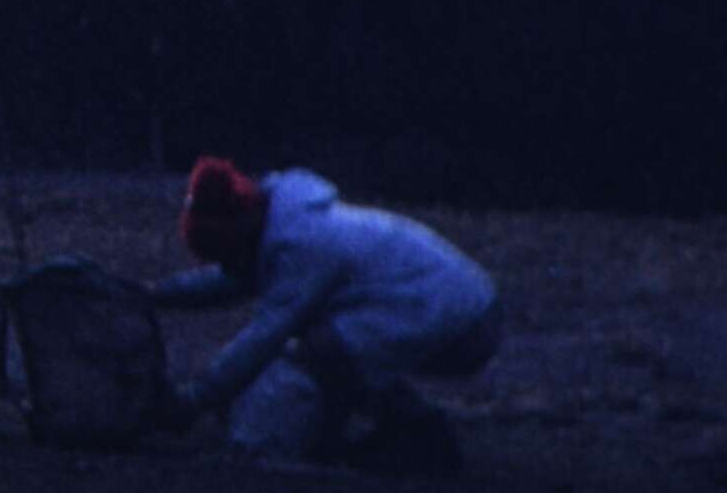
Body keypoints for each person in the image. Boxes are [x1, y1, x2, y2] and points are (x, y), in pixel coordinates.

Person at [157, 154, 500, 469]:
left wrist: (196, 399)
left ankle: (416, 433)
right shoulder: (285, 223)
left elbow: (263, 336)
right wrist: (158, 294)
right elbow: (234, 279)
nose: (227, 263)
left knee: (316, 352)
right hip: (457, 303)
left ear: (239, 231)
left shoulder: (303, 246)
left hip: (459, 317)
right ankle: (405, 428)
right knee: (333, 346)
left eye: (224, 251)